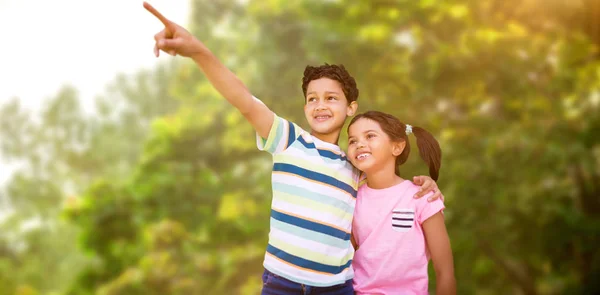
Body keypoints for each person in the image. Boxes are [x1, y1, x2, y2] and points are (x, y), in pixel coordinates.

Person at [143, 3, 444, 294]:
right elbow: (243, 99)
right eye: (312, 99)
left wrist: (424, 183)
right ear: (304, 107)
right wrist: (197, 50)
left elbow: (387, 187)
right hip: (281, 283)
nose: (320, 105)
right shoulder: (288, 139)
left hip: (336, 288)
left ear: (351, 107)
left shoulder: (354, 166)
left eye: (331, 98)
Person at [347, 111, 456, 295]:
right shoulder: (350, 198)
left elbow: (445, 272)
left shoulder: (423, 197)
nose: (360, 144)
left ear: (397, 147)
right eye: (352, 140)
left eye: (370, 136)